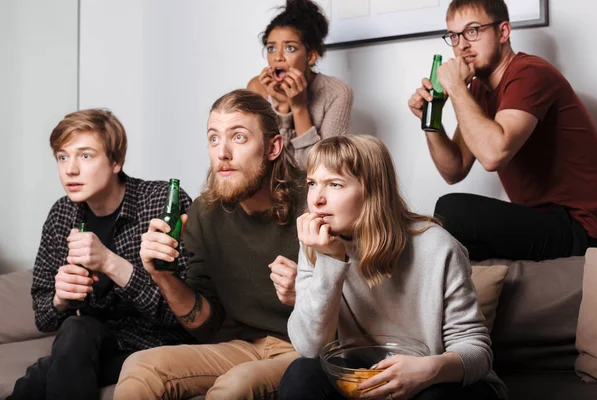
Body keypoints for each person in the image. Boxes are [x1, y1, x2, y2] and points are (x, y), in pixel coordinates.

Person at [279, 135, 508, 400]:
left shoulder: (437, 247)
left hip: (439, 379)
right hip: (365, 376)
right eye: (312, 183)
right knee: (301, 375)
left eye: (334, 184)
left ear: (373, 190)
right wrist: (330, 260)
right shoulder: (318, 242)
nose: (317, 199)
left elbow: (478, 352)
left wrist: (428, 370)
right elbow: (310, 347)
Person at [114, 90, 306, 400]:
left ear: (273, 147)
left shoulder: (316, 199)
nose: (223, 153)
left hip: (308, 349)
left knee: (235, 387)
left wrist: (308, 289)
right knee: (141, 367)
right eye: (214, 139)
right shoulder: (205, 212)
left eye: (239, 138)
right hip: (243, 347)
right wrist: (162, 276)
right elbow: (205, 323)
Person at [8, 109, 194, 400]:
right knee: (75, 328)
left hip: (156, 345)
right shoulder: (61, 214)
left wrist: (109, 261)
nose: (70, 170)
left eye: (85, 156)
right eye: (62, 157)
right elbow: (43, 317)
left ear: (116, 161)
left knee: (41, 375)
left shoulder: (161, 202)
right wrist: (60, 298)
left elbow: (184, 314)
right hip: (88, 343)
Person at [408, 0, 597, 261]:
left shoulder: (530, 73)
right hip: (542, 219)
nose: (462, 45)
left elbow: (493, 155)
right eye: (453, 35)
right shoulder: (477, 90)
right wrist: (431, 119)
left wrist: (455, 88)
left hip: (584, 228)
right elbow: (454, 169)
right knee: (441, 230)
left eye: (472, 31)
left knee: (451, 210)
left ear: (503, 32)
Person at [248, 0, 353, 167]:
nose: (278, 57)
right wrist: (282, 107)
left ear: (310, 56)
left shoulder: (337, 92)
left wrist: (298, 108)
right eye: (271, 48)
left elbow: (318, 167)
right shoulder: (258, 88)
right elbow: (260, 161)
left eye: (290, 48)